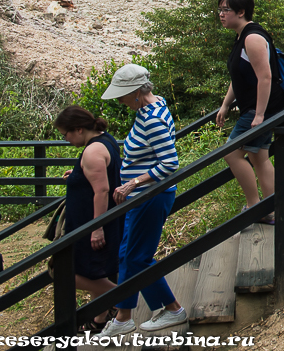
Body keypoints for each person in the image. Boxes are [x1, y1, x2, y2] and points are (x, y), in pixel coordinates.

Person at [96, 64, 187, 339]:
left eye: (122, 95)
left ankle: (173, 309)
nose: (120, 101)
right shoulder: (154, 106)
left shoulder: (152, 119)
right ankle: (123, 317)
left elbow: (170, 162)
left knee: (137, 258)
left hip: (150, 196)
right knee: (128, 255)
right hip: (141, 199)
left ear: (136, 92)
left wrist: (134, 182)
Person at [216, 0, 284, 225]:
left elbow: (265, 77)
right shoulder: (241, 36)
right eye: (220, 10)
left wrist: (259, 115)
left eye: (225, 10)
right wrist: (226, 105)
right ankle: (275, 208)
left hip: (263, 109)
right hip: (259, 107)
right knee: (259, 157)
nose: (221, 14)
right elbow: (239, 77)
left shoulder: (252, 38)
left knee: (231, 153)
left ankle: (255, 206)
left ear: (241, 12)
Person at [54, 106, 124, 332]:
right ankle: (100, 317)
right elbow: (96, 177)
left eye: (65, 134)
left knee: (63, 272)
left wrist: (96, 228)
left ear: (78, 129)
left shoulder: (92, 151)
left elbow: (102, 190)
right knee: (93, 272)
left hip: (91, 225)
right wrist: (75, 176)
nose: (65, 139)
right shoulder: (106, 140)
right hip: (98, 222)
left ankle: (121, 295)